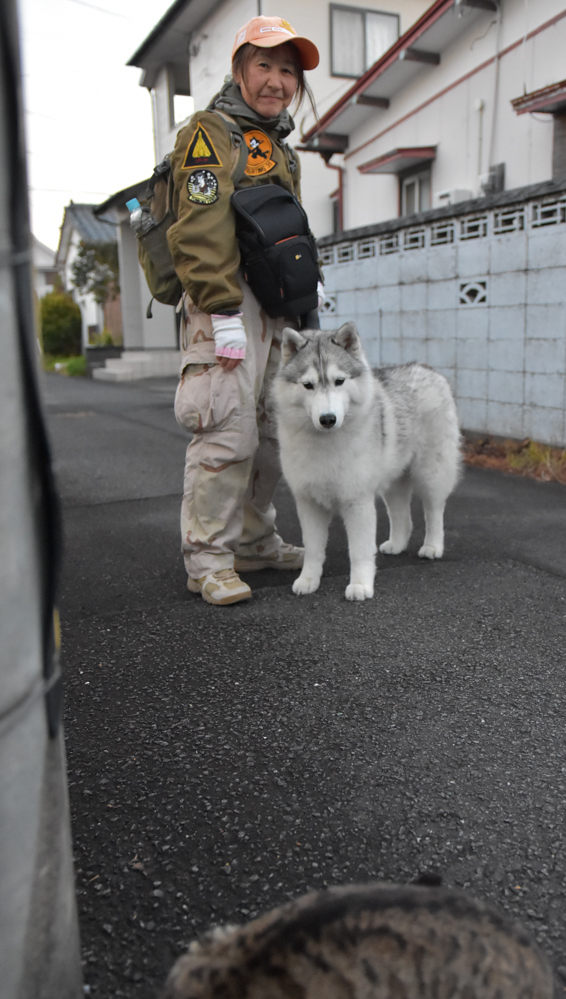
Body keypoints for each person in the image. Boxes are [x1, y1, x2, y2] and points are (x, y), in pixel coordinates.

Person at [168, 16, 320, 605]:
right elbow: (200, 226)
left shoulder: (279, 148)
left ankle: (254, 542)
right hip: (223, 305)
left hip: (276, 311)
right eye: (265, 65)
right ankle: (206, 559)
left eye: (289, 70)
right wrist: (222, 309)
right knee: (225, 431)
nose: (278, 81)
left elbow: (288, 232)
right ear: (239, 69)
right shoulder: (211, 132)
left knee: (272, 433)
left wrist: (307, 297)